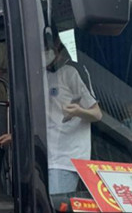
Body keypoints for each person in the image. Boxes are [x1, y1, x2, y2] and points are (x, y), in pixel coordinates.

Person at [43, 32, 102, 195]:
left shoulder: (72, 71)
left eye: (46, 48)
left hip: (66, 159)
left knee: (55, 205)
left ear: (58, 46)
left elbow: (97, 114)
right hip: (44, 154)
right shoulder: (41, 75)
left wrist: (78, 111)